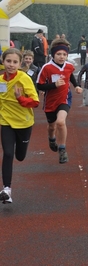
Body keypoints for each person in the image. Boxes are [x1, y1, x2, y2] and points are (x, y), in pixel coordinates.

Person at [0, 48, 39, 203]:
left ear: (20, 63)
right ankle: (7, 190)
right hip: (6, 122)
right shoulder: (0, 80)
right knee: (7, 154)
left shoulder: (24, 78)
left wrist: (20, 98)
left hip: (24, 123)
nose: (11, 65)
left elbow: (35, 102)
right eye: (8, 61)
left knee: (20, 156)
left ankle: (22, 150)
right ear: (3, 61)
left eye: (15, 62)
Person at [36, 38, 83, 164]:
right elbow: (39, 86)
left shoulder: (69, 66)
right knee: (52, 127)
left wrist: (77, 85)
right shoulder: (47, 68)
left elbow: (71, 76)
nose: (62, 57)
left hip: (65, 98)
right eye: (59, 54)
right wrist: (54, 85)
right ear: (53, 55)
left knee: (61, 122)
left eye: (64, 54)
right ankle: (51, 138)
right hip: (50, 101)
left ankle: (62, 149)